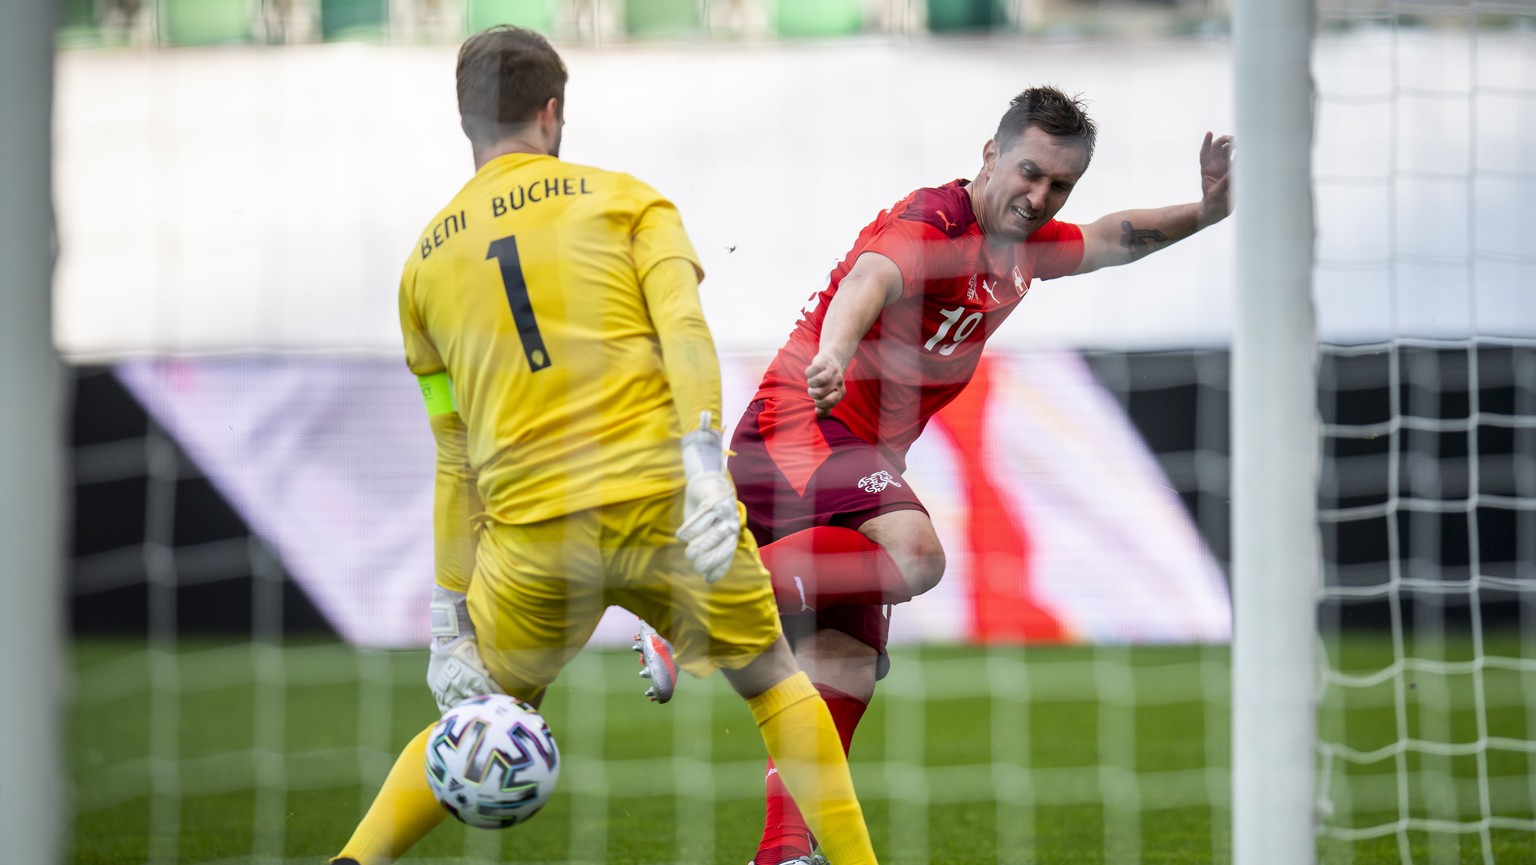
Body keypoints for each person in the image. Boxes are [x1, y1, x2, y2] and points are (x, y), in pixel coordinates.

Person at [328, 26, 880, 865]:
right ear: (552, 113)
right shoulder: (630, 200)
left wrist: (449, 617)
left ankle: (350, 862)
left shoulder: (421, 270)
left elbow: (452, 454)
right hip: (663, 504)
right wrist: (702, 465)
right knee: (773, 681)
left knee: (475, 722)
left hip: (530, 540)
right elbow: (687, 336)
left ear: (465, 120)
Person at [727, 86, 1233, 865]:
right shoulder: (936, 219)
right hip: (796, 426)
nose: (1039, 197)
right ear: (991, 155)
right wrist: (833, 351)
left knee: (849, 665)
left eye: (1059, 185)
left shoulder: (1024, 252)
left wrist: (1206, 213)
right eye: (1029, 172)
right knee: (918, 555)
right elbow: (871, 278)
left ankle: (783, 851)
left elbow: (1111, 236)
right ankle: (703, 602)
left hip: (850, 454)